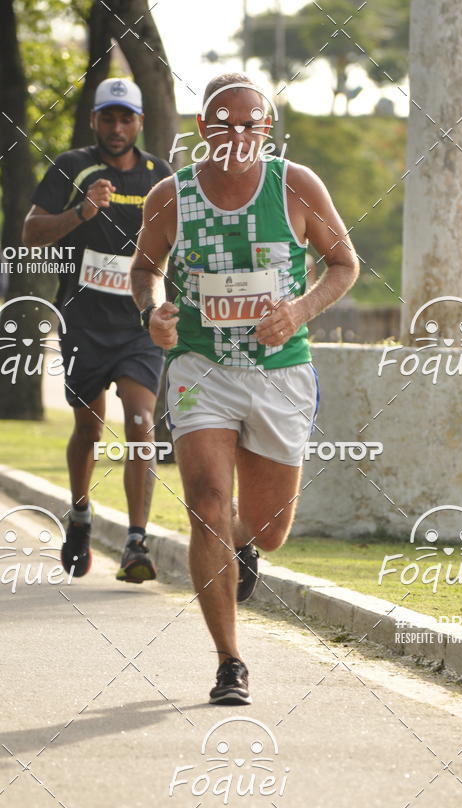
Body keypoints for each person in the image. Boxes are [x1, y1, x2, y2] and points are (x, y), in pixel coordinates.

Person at [130, 73, 359, 704]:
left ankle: (245, 544)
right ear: (202, 131)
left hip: (280, 370)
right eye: (223, 123)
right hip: (201, 367)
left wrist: (300, 309)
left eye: (250, 124)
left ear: (267, 131)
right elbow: (147, 268)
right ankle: (230, 661)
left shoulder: (295, 185)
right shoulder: (170, 195)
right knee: (206, 501)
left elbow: (344, 264)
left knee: (268, 526)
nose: (237, 134)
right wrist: (153, 309)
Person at [23, 77, 172, 584]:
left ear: (139, 123)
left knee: (140, 423)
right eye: (107, 118)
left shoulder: (160, 175)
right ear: (94, 121)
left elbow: (181, 237)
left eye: (125, 118)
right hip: (83, 321)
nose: (116, 128)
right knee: (88, 428)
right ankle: (81, 514)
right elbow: (31, 233)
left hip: (138, 321)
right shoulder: (72, 167)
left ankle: (136, 540)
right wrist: (82, 210)